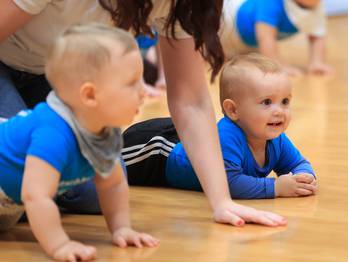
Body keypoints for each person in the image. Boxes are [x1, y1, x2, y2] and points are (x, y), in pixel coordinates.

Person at [1, 0, 287, 227]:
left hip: (60, 80)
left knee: (96, 190)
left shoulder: (181, 5)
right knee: (20, 176)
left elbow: (190, 98)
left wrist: (222, 201)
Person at [0, 24, 159, 261]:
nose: (143, 91)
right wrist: (59, 245)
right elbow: (37, 196)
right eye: (132, 83)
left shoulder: (106, 131)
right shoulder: (53, 132)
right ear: (89, 95)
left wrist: (121, 228)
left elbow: (112, 185)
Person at [122, 53, 318, 199]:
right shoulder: (228, 136)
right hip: (157, 151)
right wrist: (276, 188)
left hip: (183, 138)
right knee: (110, 169)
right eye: (267, 102)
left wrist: (303, 178)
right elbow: (228, 184)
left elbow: (298, 163)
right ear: (233, 110)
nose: (279, 111)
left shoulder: (276, 139)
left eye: (285, 101)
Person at [220, 0, 333, 77]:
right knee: (213, 47)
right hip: (226, 25)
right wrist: (278, 65)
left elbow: (317, 34)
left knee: (237, 59)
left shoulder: (317, 6)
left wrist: (316, 62)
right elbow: (265, 36)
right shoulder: (272, 2)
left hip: (247, 42)